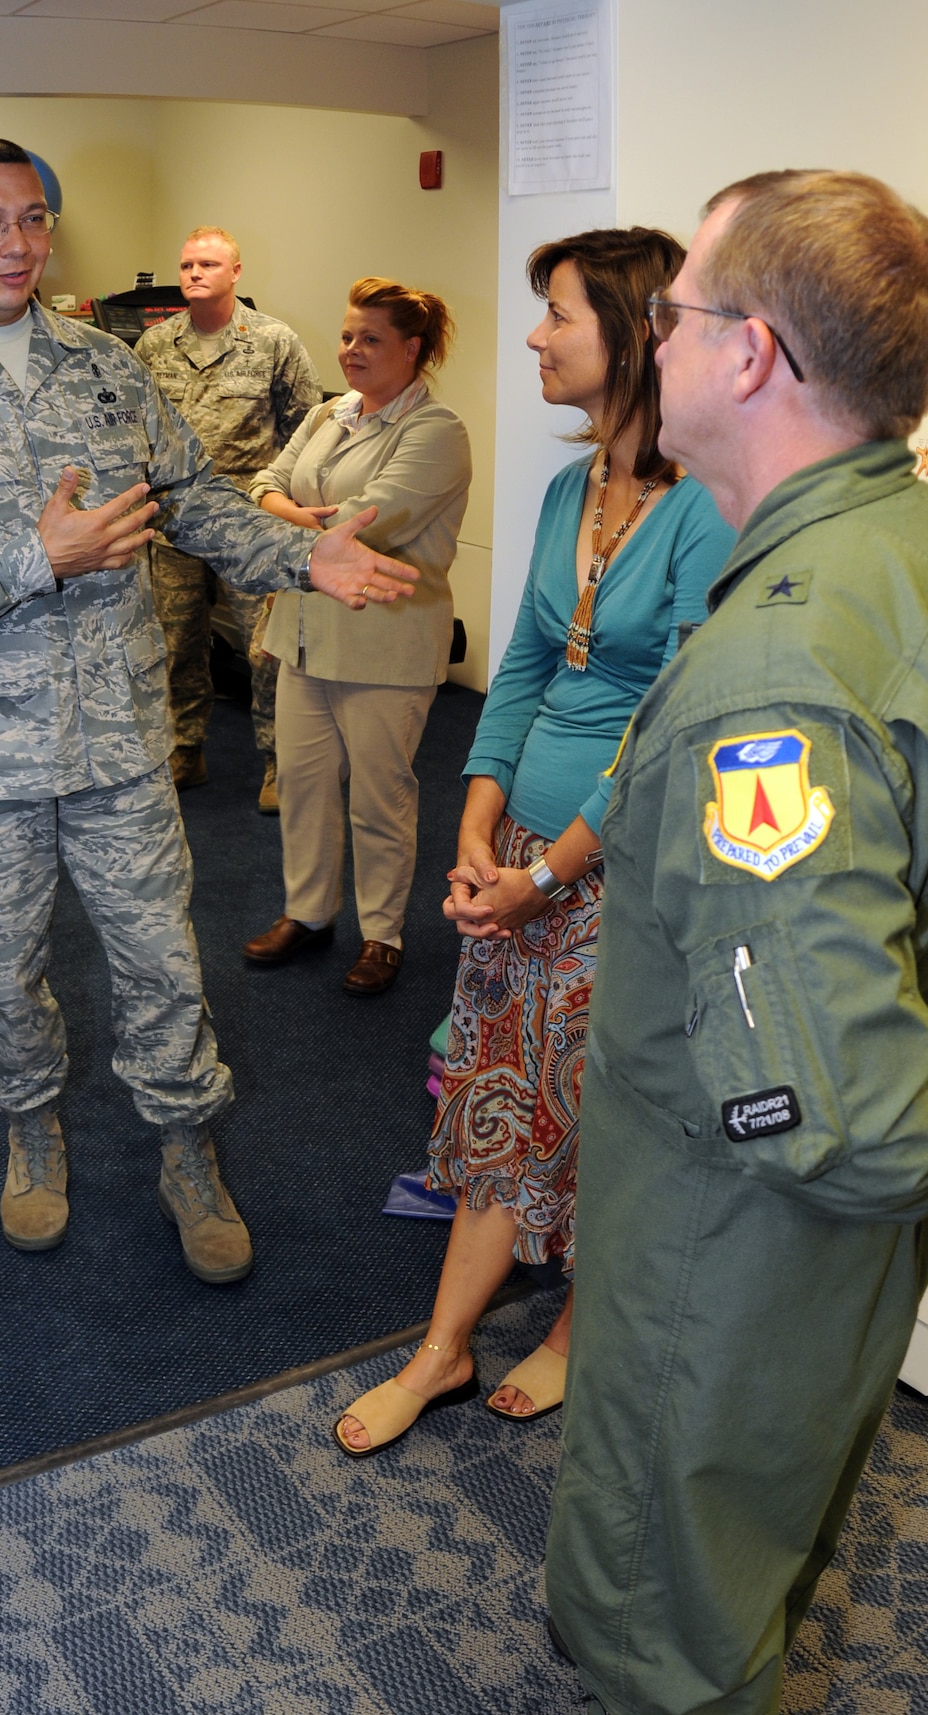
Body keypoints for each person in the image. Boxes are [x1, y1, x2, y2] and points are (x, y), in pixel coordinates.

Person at [495, 170, 928, 1715]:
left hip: (733, 1227)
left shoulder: (776, 670)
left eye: (670, 317)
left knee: (680, 1535)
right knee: (758, 1499)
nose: (643, 339)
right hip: (817, 1215)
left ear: (744, 355)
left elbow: (801, 1087)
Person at [0, 138, 414, 1278]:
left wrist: (299, 555)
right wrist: (34, 555)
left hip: (118, 739)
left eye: (33, 219)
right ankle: (30, 1125)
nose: (17, 243)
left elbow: (190, 498)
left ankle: (186, 1145)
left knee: (162, 961)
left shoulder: (106, 366)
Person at [332, 229, 734, 1456]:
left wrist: (548, 869)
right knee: (504, 1097)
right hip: (515, 853)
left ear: (631, 331)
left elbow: (671, 714)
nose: (533, 335)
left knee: (598, 1113)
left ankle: (571, 1328)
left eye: (556, 313)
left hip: (616, 873)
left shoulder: (708, 508)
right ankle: (445, 1348)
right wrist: (473, 819)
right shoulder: (569, 491)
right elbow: (515, 669)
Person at [243, 278, 472, 997]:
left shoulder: (437, 432)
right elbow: (261, 485)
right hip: (305, 633)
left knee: (381, 798)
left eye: (369, 339)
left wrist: (294, 516)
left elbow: (368, 518)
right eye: (347, 336)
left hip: (385, 643)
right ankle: (307, 914)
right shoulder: (325, 416)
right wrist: (303, 513)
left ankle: (383, 934)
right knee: (305, 786)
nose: (351, 350)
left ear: (414, 349)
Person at [135, 228, 321, 811]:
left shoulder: (272, 341)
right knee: (177, 642)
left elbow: (305, 432)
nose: (195, 273)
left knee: (266, 651)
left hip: (249, 520)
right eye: (187, 263)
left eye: (209, 263)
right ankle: (185, 748)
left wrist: (289, 513)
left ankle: (278, 763)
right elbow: (136, 431)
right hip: (175, 518)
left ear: (236, 272)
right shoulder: (153, 344)